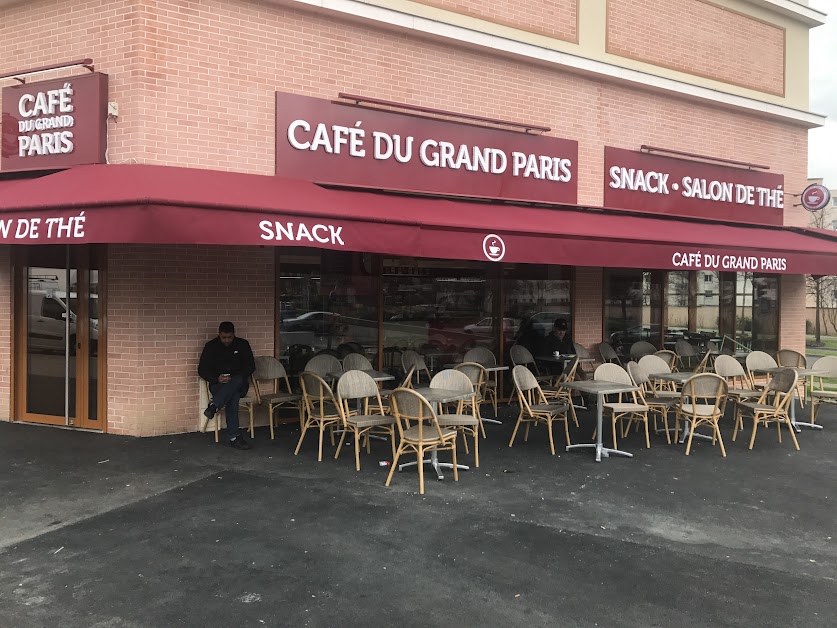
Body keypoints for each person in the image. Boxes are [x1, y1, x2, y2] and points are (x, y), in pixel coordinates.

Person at [199, 321, 256, 450]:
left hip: (239, 383)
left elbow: (251, 366)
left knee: (235, 383)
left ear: (234, 334)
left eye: (229, 337)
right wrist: (217, 378)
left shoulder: (242, 344)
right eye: (224, 337)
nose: (227, 340)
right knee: (233, 396)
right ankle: (234, 437)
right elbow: (202, 370)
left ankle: (214, 405)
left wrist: (236, 377)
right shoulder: (211, 346)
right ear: (219, 334)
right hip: (218, 385)